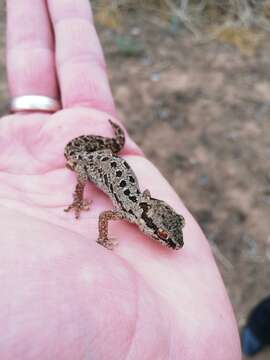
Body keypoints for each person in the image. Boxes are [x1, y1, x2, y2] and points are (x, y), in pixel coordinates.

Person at [1, 0, 241, 358]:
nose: (168, 239)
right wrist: (82, 200)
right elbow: (103, 215)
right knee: (78, 165)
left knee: (105, 153)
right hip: (92, 162)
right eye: (163, 233)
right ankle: (104, 153)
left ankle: (110, 144)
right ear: (146, 218)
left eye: (167, 231)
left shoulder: (133, 210)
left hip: (107, 161)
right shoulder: (125, 212)